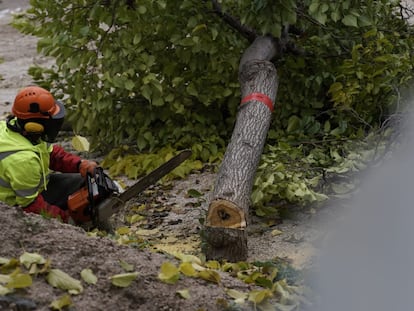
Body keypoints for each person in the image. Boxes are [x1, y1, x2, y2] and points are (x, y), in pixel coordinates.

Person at [0, 85, 99, 223]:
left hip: (31, 189)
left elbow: (52, 154)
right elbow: (30, 206)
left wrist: (79, 165)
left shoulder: (18, 129)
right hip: (14, 206)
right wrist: (66, 220)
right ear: (35, 126)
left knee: (84, 180)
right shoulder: (23, 161)